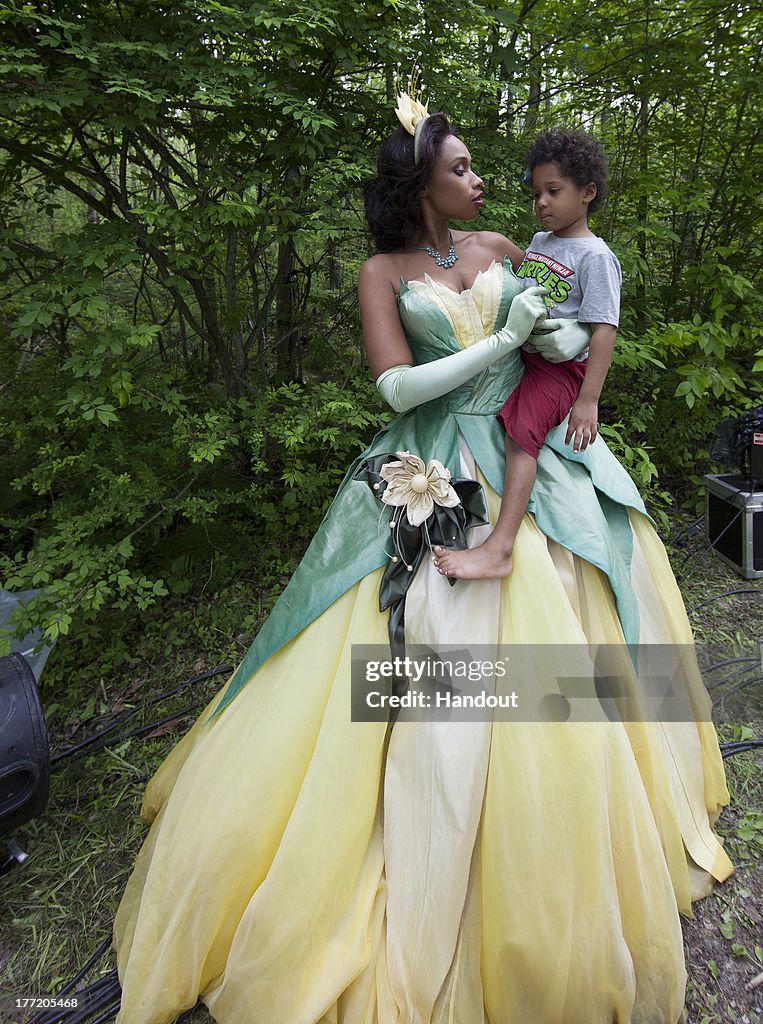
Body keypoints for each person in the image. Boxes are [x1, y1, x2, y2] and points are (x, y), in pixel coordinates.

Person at [112, 92, 733, 1024]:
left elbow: (572, 325)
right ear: (420, 186)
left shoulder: (502, 250)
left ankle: (566, 836)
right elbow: (394, 383)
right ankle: (416, 824)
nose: (486, 184)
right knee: (413, 643)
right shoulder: (381, 270)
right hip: (429, 459)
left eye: (486, 170)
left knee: (578, 609)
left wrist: (559, 349)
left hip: (530, 451)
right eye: (465, 170)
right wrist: (505, 337)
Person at [434, 128, 621, 580]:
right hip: (524, 358)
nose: (541, 202)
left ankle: (501, 546)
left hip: (558, 371)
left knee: (521, 429)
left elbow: (603, 331)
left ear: (588, 192)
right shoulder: (540, 243)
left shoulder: (595, 256)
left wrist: (588, 400)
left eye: (554, 191)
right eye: (536, 192)